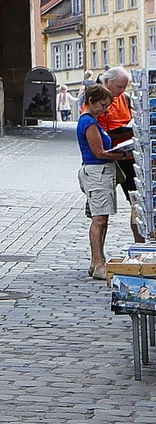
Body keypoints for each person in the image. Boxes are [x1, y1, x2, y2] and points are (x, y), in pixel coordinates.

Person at [77, 84, 134, 280]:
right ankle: (98, 262)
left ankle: (97, 262)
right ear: (91, 101)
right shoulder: (89, 123)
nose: (105, 109)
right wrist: (122, 154)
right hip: (97, 172)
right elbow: (99, 152)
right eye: (102, 105)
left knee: (103, 218)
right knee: (99, 218)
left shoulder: (94, 120)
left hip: (101, 172)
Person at [97, 67, 142, 242]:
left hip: (128, 158)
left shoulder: (125, 98)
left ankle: (140, 243)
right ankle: (98, 254)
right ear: (107, 82)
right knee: (101, 209)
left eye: (124, 87)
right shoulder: (98, 100)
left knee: (136, 202)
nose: (121, 90)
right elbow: (99, 131)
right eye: (118, 86)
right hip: (107, 157)